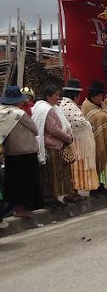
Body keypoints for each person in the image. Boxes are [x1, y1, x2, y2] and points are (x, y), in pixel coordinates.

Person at [1, 86, 43, 218]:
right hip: (25, 152)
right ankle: (22, 209)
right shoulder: (19, 114)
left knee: (13, 182)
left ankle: (14, 208)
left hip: (10, 153)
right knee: (26, 182)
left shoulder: (2, 113)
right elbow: (35, 129)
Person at [31, 85, 74, 209]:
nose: (58, 97)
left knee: (53, 174)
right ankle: (50, 198)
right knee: (52, 174)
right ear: (48, 97)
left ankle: (53, 197)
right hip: (51, 147)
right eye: (56, 95)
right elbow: (53, 129)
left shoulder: (51, 108)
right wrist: (67, 137)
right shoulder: (46, 110)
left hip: (55, 145)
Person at [59, 79, 100, 199]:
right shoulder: (69, 107)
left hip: (73, 142)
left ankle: (74, 192)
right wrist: (89, 125)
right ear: (75, 95)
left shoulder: (65, 105)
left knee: (73, 169)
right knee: (74, 168)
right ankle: (72, 193)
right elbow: (80, 122)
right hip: (75, 143)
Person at [81, 81, 107, 195]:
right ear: (92, 96)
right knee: (96, 163)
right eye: (98, 96)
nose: (100, 98)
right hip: (94, 141)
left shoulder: (103, 105)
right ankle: (95, 188)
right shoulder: (86, 107)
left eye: (101, 96)